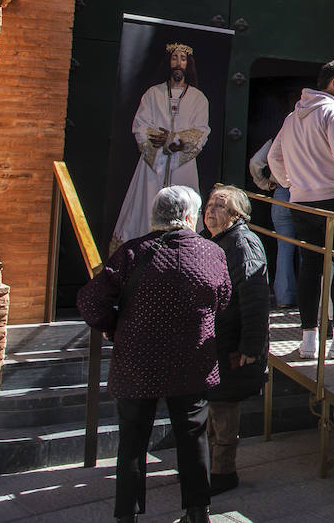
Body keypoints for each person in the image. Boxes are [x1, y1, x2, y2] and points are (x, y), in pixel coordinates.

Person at [77, 186, 231, 523]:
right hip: (191, 359)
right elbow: (223, 298)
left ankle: (126, 515)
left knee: (132, 439)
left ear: (155, 216)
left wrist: (112, 326)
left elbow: (91, 300)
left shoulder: (133, 253)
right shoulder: (212, 253)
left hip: (138, 358)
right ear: (190, 217)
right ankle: (197, 510)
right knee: (193, 435)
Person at [268, 60, 334, 359]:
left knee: (311, 267)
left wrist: (292, 181)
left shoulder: (292, 118)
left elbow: (275, 158)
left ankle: (309, 340)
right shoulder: (333, 111)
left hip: (301, 203)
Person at [201, 186, 270, 496]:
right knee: (214, 406)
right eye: (210, 204)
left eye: (220, 205)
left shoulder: (243, 243)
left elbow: (255, 300)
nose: (211, 210)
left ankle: (222, 473)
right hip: (218, 340)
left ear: (237, 214)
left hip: (233, 345)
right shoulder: (217, 241)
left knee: (225, 407)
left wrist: (250, 348)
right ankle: (208, 467)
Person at [111, 43, 211, 253]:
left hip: (182, 166)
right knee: (145, 208)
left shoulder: (198, 98)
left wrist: (173, 139)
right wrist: (160, 141)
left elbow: (201, 131)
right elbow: (140, 125)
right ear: (169, 62)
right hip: (153, 165)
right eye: (175, 58)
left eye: (183, 59)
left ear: (188, 64)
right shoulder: (153, 94)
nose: (178, 64)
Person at [248, 137, 296, 307]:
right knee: (310, 249)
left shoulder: (280, 136)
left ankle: (284, 297)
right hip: (306, 193)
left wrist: (264, 183)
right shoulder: (312, 131)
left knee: (284, 248)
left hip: (281, 193)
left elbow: (255, 162)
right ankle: (311, 299)